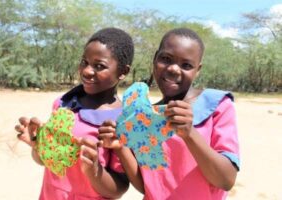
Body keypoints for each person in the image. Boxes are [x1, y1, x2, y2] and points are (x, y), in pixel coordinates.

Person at [99, 27, 240, 200]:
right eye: (166, 59)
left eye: (186, 65)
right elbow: (148, 186)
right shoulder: (142, 116)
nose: (174, 69)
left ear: (198, 69)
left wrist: (190, 134)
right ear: (155, 59)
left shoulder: (216, 106)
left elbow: (226, 180)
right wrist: (120, 148)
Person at [14, 27, 134, 200]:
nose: (86, 71)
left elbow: (119, 189)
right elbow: (46, 162)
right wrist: (37, 146)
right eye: (84, 62)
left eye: (99, 66)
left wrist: (94, 170)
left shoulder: (122, 121)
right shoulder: (63, 104)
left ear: (123, 71)